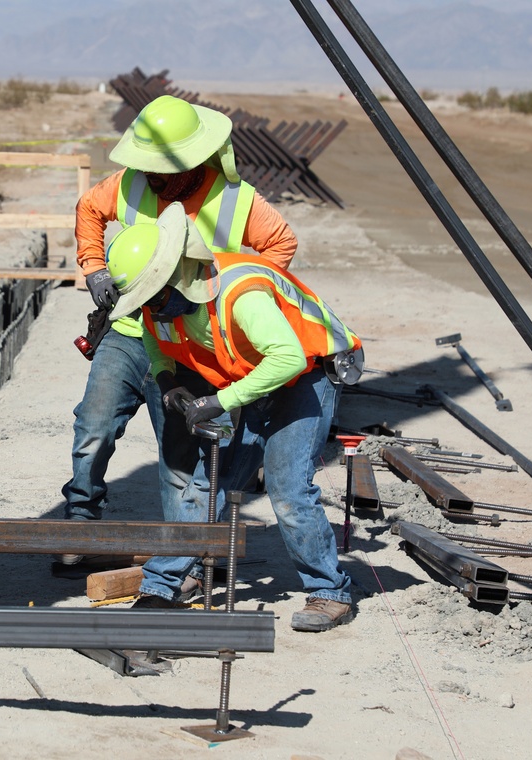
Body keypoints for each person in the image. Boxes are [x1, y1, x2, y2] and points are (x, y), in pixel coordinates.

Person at [61, 95, 298, 569]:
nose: (149, 177)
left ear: (190, 163)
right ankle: (80, 525)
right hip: (130, 333)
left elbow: (281, 243)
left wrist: (238, 305)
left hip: (190, 345)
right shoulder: (129, 185)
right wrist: (93, 266)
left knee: (178, 455)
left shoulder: (235, 200)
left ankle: (180, 557)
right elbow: (89, 207)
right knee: (93, 428)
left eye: (160, 169)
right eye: (144, 166)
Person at [104, 202, 363, 632]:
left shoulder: (241, 295)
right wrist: (168, 381)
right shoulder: (162, 303)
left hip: (305, 374)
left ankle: (329, 591)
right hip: (247, 376)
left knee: (287, 487)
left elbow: (287, 357)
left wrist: (220, 402)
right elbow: (154, 339)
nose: (149, 309)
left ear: (178, 275)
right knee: (210, 482)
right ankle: (164, 582)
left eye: (153, 299)